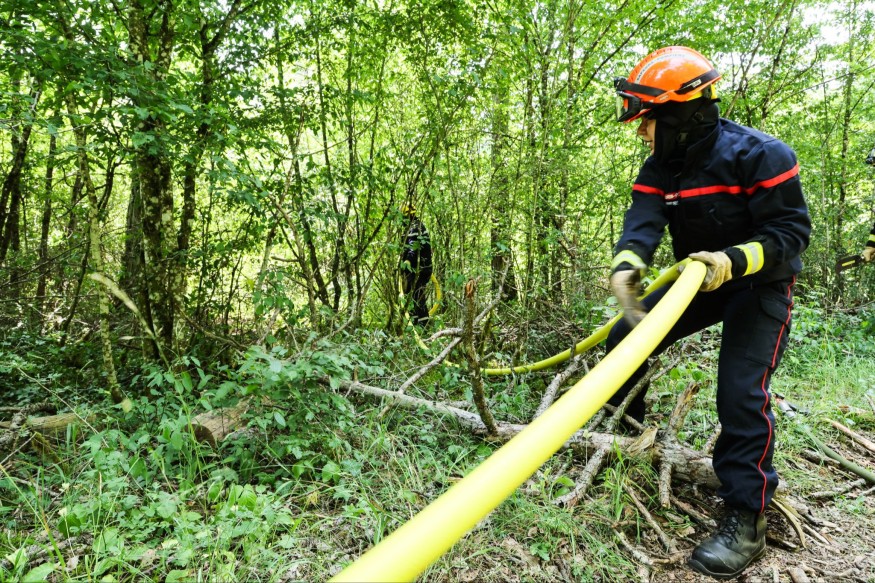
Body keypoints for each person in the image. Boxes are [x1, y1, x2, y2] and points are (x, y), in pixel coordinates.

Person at [608, 46, 811, 579]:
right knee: (624, 337)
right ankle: (624, 436)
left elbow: (791, 234)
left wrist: (734, 259)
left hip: (759, 284)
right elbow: (643, 219)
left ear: (681, 115)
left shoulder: (762, 155)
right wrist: (627, 266)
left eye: (646, 120)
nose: (640, 132)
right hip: (696, 283)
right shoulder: (662, 166)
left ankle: (747, 519)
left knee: (740, 391)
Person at [399, 202, 433, 325]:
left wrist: (408, 261)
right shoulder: (411, 227)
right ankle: (414, 325)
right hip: (415, 269)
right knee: (412, 297)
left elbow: (413, 246)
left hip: (420, 269)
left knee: (418, 297)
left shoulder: (415, 227)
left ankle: (423, 327)